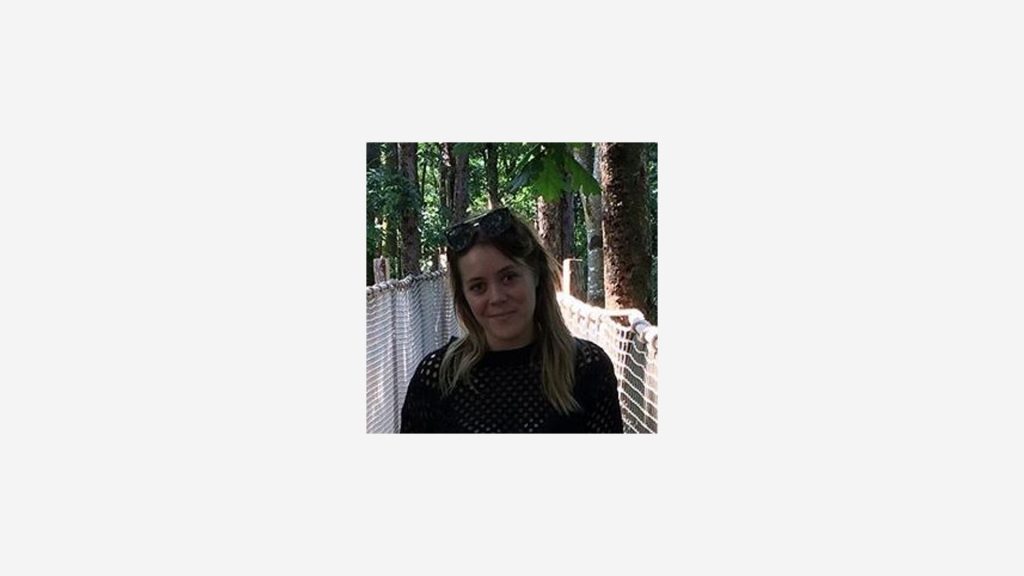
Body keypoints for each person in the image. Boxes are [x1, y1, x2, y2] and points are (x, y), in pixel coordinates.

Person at [400, 206, 624, 433]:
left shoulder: (587, 369)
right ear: (464, 297)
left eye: (508, 277)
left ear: (536, 275)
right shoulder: (437, 379)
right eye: (478, 287)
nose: (497, 297)